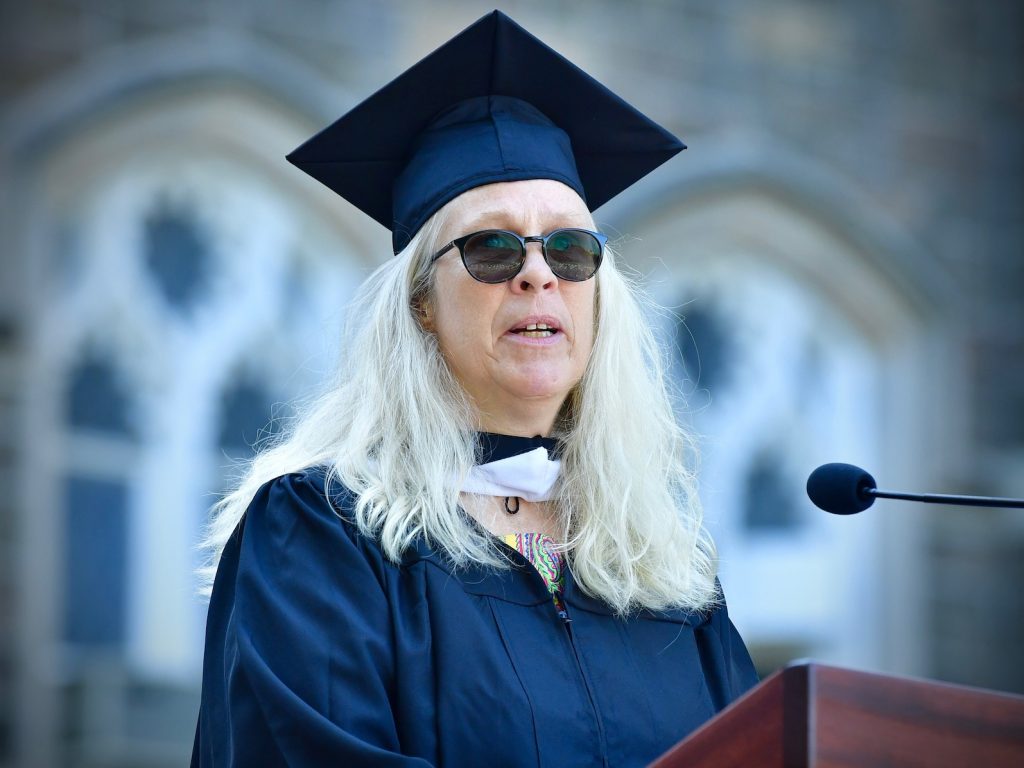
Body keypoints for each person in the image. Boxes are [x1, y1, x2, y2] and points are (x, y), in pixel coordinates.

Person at [191, 10, 758, 768]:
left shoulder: (667, 579)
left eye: (570, 247)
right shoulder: (323, 536)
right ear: (420, 304)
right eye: (491, 247)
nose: (538, 273)